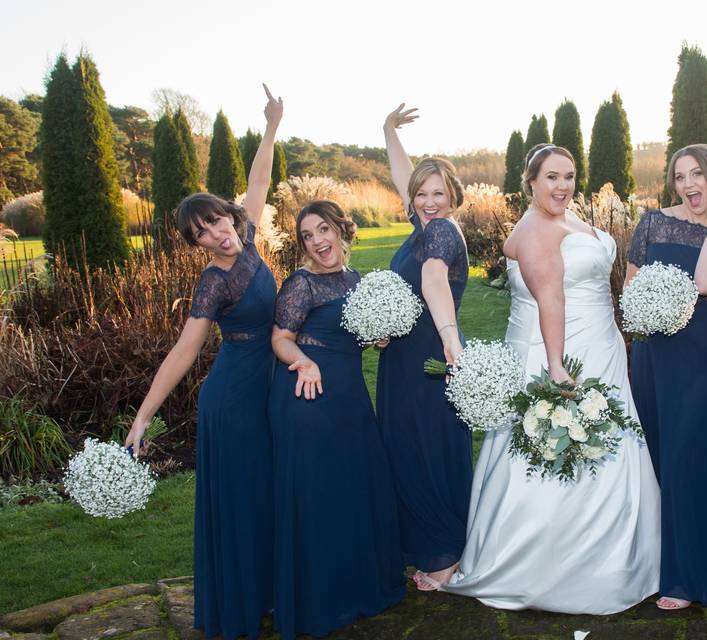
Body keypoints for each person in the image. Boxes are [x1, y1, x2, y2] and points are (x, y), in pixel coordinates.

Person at [441, 143, 661, 613]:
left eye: (568, 176)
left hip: (601, 345)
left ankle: (617, 553)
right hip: (564, 348)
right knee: (560, 446)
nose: (562, 186)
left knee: (610, 444)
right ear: (531, 182)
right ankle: (553, 566)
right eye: (552, 178)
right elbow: (550, 301)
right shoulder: (538, 230)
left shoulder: (566, 218)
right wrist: (558, 366)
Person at [125, 85, 282, 640]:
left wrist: (271, 125)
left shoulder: (249, 238)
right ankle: (240, 604)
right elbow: (184, 352)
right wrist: (143, 418)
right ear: (196, 245)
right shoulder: (213, 283)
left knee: (270, 494)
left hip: (271, 387)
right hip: (235, 399)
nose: (218, 234)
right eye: (203, 234)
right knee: (243, 500)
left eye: (218, 221)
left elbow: (259, 180)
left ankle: (267, 592)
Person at [269, 200, 406, 638]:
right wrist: (304, 363)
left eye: (323, 230)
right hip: (308, 397)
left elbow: (358, 336)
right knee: (317, 496)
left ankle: (357, 590)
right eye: (308, 236)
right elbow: (280, 338)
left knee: (354, 488)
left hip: (349, 397)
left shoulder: (358, 282)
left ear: (341, 230)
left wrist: (378, 335)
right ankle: (318, 599)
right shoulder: (301, 284)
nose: (318, 242)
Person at [626, 144, 707, 610]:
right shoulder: (653, 221)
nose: (688, 184)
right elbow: (631, 284)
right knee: (655, 454)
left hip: (699, 356)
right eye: (680, 176)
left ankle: (688, 575)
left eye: (697, 174)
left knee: (690, 457)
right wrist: (646, 308)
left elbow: (705, 283)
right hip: (652, 354)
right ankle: (651, 564)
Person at [376, 104, 472, 590]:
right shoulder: (423, 224)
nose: (428, 200)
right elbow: (404, 180)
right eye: (421, 193)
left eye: (438, 193)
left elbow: (434, 279)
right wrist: (388, 130)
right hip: (401, 356)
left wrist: (451, 342)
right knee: (405, 449)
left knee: (430, 450)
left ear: (452, 196)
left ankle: (446, 552)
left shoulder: (441, 231)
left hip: (433, 355)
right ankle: (424, 544)